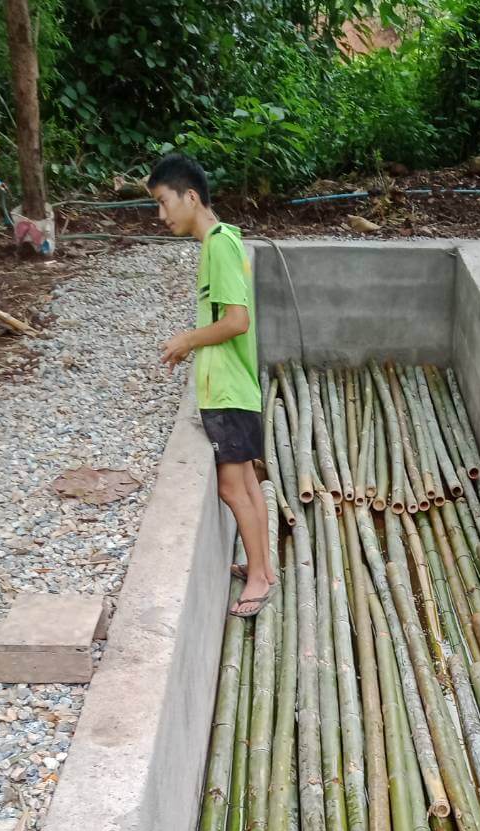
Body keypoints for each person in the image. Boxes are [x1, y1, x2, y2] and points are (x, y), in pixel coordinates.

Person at [148, 153, 275, 619]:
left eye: (163, 202)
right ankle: (264, 568)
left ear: (191, 197)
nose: (161, 215)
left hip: (227, 391)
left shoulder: (219, 246)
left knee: (232, 487)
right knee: (248, 484)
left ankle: (259, 578)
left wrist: (187, 339)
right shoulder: (225, 241)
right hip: (235, 387)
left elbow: (237, 321)